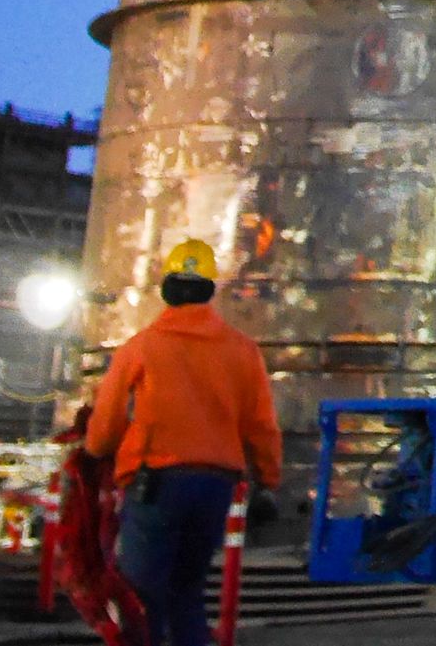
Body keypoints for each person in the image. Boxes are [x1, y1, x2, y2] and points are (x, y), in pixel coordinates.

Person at [85, 240, 283, 646]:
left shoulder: (141, 347)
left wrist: (95, 452)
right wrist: (269, 479)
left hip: (156, 482)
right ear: (210, 289)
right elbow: (261, 425)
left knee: (142, 595)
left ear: (168, 288)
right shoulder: (243, 352)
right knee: (187, 591)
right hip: (215, 486)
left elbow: (106, 423)